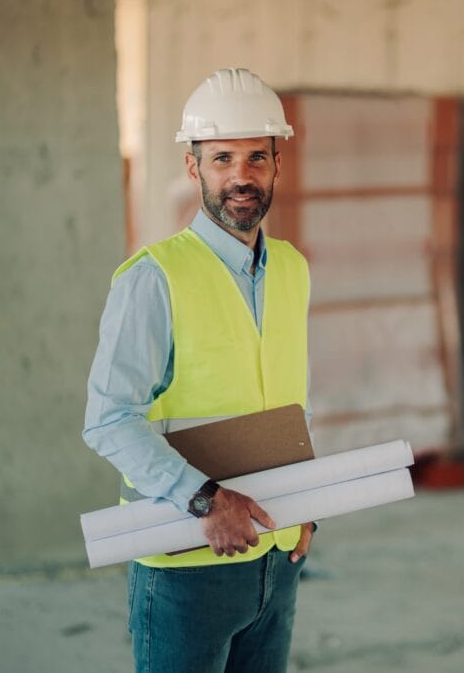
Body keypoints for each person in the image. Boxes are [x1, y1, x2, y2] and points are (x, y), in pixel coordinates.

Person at [83, 67, 314, 673]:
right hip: (187, 563)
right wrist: (206, 501)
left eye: (257, 158)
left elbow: (288, 400)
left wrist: (306, 503)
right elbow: (108, 420)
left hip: (277, 556)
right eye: (222, 158)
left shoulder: (292, 268)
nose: (242, 176)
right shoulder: (153, 279)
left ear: (276, 165)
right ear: (194, 169)